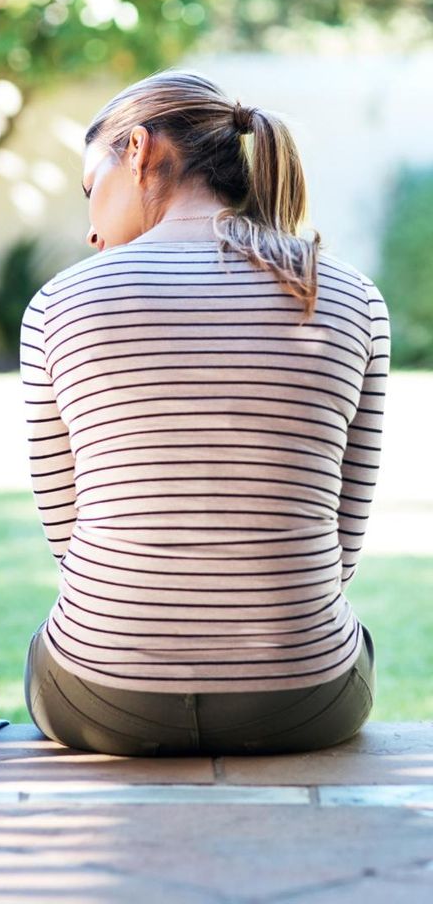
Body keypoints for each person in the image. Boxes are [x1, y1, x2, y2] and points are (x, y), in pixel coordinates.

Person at [20, 68, 391, 756]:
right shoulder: (350, 297)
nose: (91, 229)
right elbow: (341, 543)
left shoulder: (59, 303)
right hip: (302, 699)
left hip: (104, 699)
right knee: (349, 638)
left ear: (137, 151)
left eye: (89, 189)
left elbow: (69, 539)